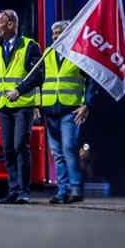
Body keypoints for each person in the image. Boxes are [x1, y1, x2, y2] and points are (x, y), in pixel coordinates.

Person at [0, 9, 43, 204]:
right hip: (4, 106)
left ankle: (24, 191)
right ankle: (13, 189)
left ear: (11, 25)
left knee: (20, 146)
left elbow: (38, 75)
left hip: (23, 105)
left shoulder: (30, 46)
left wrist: (19, 90)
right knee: (8, 148)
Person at [42, 20, 95, 204]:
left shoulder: (79, 54)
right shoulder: (47, 53)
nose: (55, 37)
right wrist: (37, 104)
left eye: (59, 33)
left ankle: (76, 189)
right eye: (53, 33)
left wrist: (87, 104)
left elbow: (91, 81)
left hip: (71, 109)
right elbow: (39, 80)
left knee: (69, 148)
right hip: (50, 109)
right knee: (57, 153)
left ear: (68, 34)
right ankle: (62, 191)